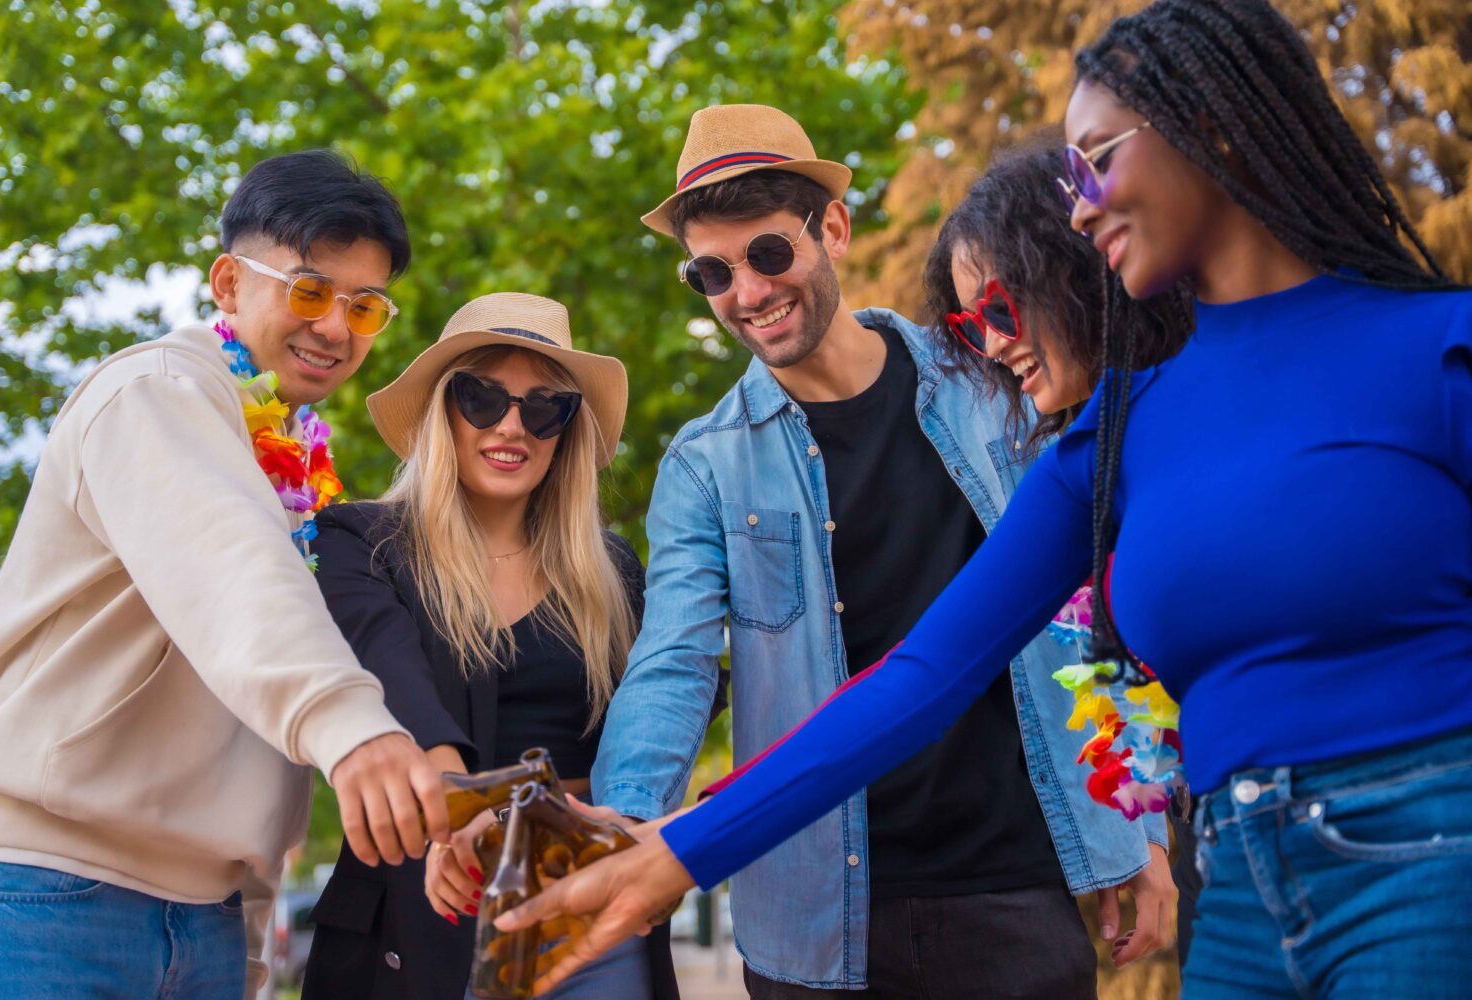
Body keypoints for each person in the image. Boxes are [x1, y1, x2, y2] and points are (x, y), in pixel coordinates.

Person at [499, 3, 1472, 998]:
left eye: (1096, 161)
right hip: (1236, 895)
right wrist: (667, 848)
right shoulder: (1110, 441)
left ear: (1210, 128)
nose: (1081, 207)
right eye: (711, 272)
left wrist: (1123, 835)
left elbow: (1072, 667)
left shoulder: (1435, 349)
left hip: (1430, 849)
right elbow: (917, 675)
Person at [589, 103, 1174, 999]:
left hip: (1014, 885)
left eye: (768, 254)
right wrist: (629, 833)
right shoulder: (703, 466)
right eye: (712, 271)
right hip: (813, 916)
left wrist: (1141, 825)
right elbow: (673, 664)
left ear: (833, 227)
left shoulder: (990, 373)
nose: (746, 292)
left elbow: (1092, 606)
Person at [0, 149, 453, 999]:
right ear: (229, 284)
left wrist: (249, 932)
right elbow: (238, 578)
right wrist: (354, 725)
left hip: (205, 921)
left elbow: (249, 708)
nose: (337, 328)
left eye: (366, 306)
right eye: (309, 290)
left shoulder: (297, 463)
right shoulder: (154, 392)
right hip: (45, 895)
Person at [299, 292, 681, 1000]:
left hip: (586, 900)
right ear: (445, 410)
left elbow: (666, 705)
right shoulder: (360, 542)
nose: (513, 426)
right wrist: (459, 811)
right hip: (426, 906)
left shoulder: (612, 571)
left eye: (545, 408)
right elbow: (388, 667)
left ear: (567, 428)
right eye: (483, 399)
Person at [923, 133, 1203, 966]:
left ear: (1077, 267)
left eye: (1002, 310)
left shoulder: (1213, 405)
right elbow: (926, 673)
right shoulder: (1083, 467)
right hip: (1234, 850)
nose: (994, 344)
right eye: (969, 326)